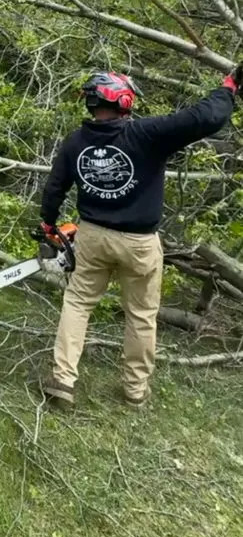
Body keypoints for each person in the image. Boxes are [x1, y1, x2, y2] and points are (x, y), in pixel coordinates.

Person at [40, 68, 241, 408]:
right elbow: (207, 117)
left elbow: (55, 188)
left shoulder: (76, 141)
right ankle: (135, 391)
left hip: (91, 237)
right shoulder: (146, 133)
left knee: (77, 304)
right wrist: (228, 87)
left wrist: (48, 223)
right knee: (141, 315)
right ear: (123, 99)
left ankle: (62, 379)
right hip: (139, 243)